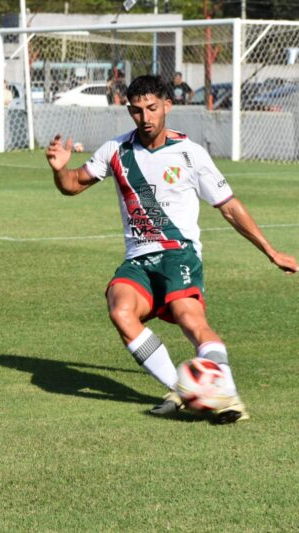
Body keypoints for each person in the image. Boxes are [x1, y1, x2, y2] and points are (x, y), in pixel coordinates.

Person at [45, 74, 297, 423]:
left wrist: (271, 251)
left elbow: (228, 206)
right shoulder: (115, 150)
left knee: (189, 318)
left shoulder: (190, 154)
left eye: (151, 108)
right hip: (138, 259)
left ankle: (227, 395)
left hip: (178, 253)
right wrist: (60, 170)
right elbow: (72, 185)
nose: (145, 118)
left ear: (167, 105)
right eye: (136, 111)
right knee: (120, 310)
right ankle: (187, 388)